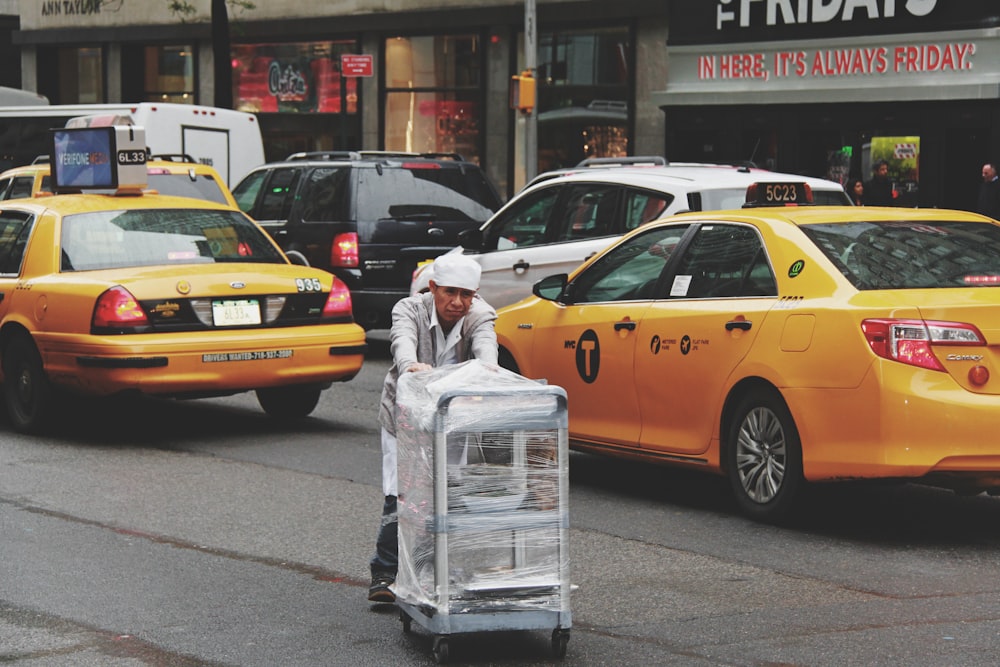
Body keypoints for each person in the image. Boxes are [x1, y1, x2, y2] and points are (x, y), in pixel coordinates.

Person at [368, 252, 498, 603]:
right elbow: (402, 343)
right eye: (450, 293)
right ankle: (384, 572)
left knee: (448, 497)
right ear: (433, 288)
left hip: (453, 421)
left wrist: (486, 374)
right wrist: (411, 366)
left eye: (466, 295)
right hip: (404, 418)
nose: (458, 303)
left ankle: (434, 572)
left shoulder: (481, 315)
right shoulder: (409, 308)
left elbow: (487, 353)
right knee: (402, 496)